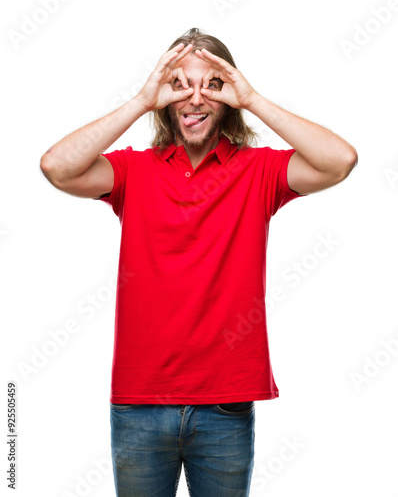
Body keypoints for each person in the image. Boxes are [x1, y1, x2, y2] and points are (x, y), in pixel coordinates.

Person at [40, 28, 357, 497]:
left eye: (211, 83)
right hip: (141, 404)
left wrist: (252, 97)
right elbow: (56, 167)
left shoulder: (259, 170)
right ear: (165, 97)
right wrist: (141, 100)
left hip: (225, 406)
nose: (194, 97)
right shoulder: (132, 171)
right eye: (180, 83)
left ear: (227, 96)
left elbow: (340, 160)